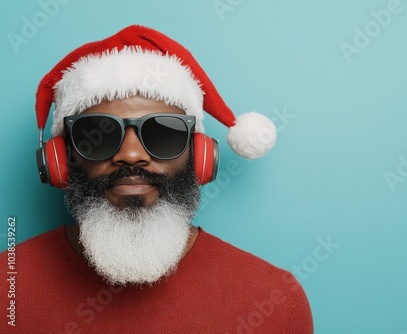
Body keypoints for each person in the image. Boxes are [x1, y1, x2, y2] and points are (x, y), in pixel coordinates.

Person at [0, 25, 313, 333]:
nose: (132, 155)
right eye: (99, 133)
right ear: (61, 159)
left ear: (199, 155)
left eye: (163, 132)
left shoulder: (276, 300)